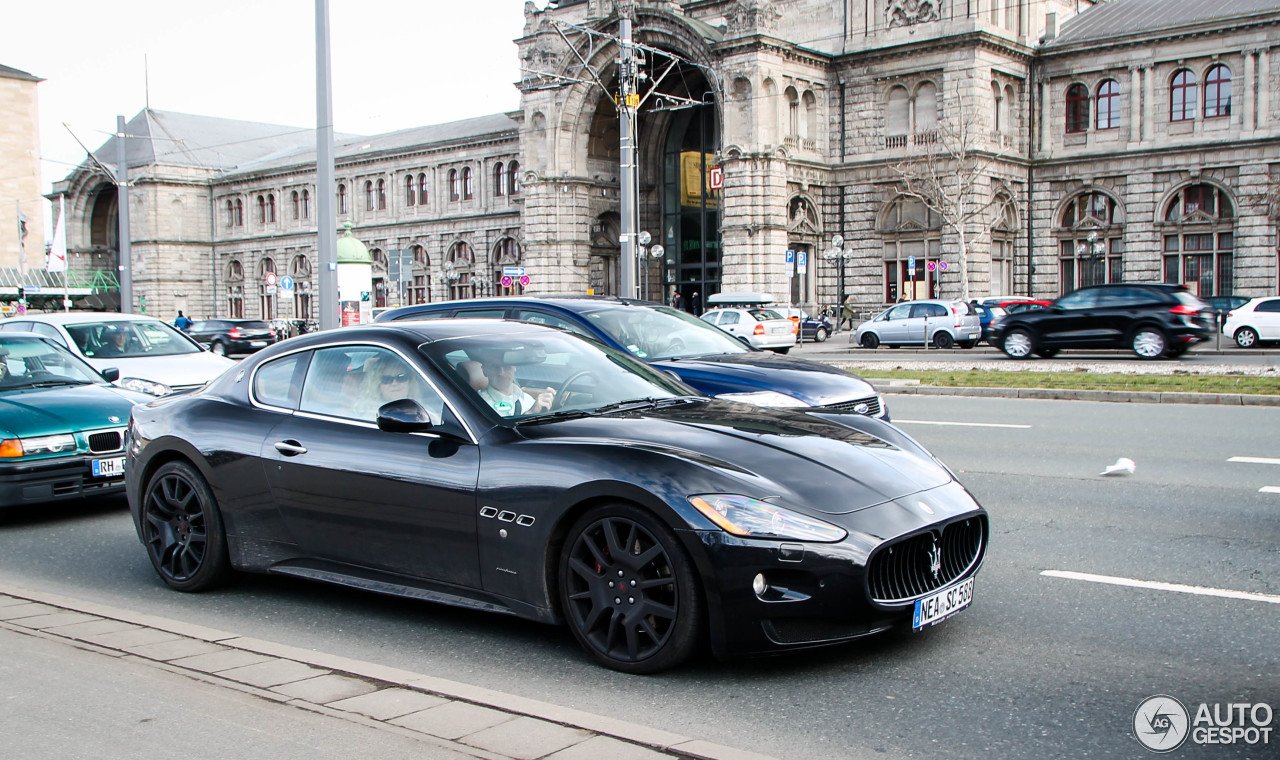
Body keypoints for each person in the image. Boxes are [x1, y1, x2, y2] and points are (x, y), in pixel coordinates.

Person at [474, 351, 553, 417]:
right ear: (484, 371)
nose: (501, 373)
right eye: (495, 367)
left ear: (514, 367)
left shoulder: (526, 398)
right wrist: (530, 413)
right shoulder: (480, 404)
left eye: (506, 366)